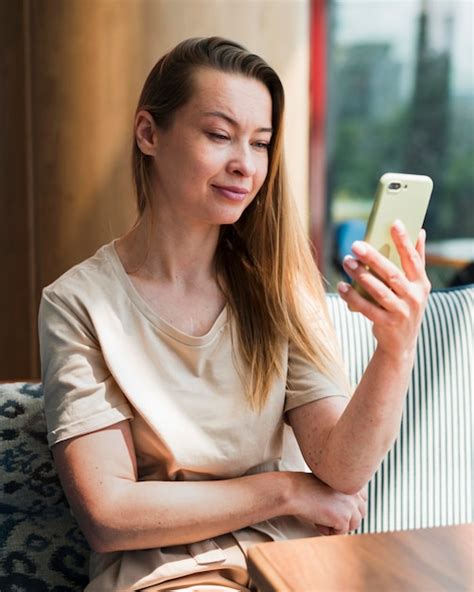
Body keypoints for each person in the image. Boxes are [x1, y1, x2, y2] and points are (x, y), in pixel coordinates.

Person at [38, 37, 431, 591]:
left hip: (300, 564)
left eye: (261, 143)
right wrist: (285, 491)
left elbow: (342, 469)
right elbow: (109, 513)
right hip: (172, 573)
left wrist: (396, 348)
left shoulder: (279, 286)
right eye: (220, 135)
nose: (244, 165)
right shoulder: (78, 304)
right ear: (149, 134)